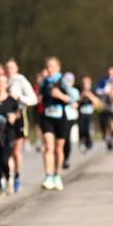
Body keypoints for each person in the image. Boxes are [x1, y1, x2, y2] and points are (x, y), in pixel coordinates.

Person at [39, 57, 72, 190]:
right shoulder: (44, 82)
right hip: (47, 117)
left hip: (61, 117)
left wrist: (60, 96)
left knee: (59, 148)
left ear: (58, 68)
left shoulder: (63, 81)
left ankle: (57, 175)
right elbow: (39, 97)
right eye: (47, 67)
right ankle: (48, 176)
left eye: (52, 66)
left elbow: (72, 97)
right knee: (48, 146)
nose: (49, 69)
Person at [5, 58, 37, 192]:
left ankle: (17, 176)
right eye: (7, 68)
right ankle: (9, 177)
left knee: (16, 151)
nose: (9, 70)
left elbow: (33, 99)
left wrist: (19, 98)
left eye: (12, 67)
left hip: (19, 117)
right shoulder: (1, 81)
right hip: (5, 118)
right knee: (7, 151)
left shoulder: (21, 80)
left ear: (17, 68)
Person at [60, 72, 80, 170]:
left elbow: (76, 102)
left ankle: (66, 158)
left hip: (71, 117)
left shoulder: (75, 91)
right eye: (67, 81)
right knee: (61, 139)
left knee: (66, 138)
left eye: (70, 81)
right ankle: (61, 157)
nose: (68, 83)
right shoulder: (61, 90)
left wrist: (74, 103)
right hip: (61, 116)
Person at [78, 75, 101, 152]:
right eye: (84, 83)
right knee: (81, 129)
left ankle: (89, 144)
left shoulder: (93, 90)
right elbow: (77, 102)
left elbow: (97, 102)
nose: (85, 84)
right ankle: (82, 141)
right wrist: (82, 95)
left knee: (88, 129)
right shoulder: (79, 90)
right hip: (81, 112)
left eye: (87, 83)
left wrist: (89, 95)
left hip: (89, 113)